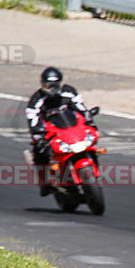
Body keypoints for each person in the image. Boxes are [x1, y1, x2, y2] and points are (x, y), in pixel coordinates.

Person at [25, 67, 95, 196]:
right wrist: (38, 136)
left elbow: (81, 107)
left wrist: (89, 119)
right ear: (42, 84)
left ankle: (92, 166)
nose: (52, 88)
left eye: (55, 85)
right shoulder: (36, 100)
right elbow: (32, 119)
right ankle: (44, 182)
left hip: (69, 129)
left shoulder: (68, 91)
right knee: (39, 152)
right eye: (48, 85)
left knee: (91, 140)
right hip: (50, 132)